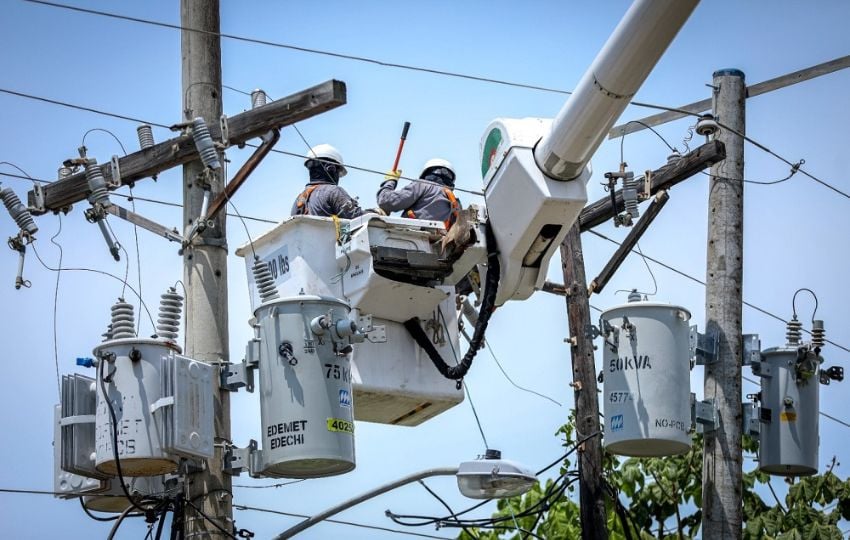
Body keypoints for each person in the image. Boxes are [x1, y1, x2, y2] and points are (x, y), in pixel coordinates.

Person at [376, 158, 460, 229]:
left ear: (426, 173)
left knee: (373, 213)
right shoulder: (456, 204)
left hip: (410, 238)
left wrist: (390, 181)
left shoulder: (422, 185)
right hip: (438, 244)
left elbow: (386, 202)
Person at [291, 144, 363, 218]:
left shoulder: (299, 199)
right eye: (338, 172)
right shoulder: (333, 191)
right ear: (331, 169)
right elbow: (358, 217)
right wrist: (374, 211)